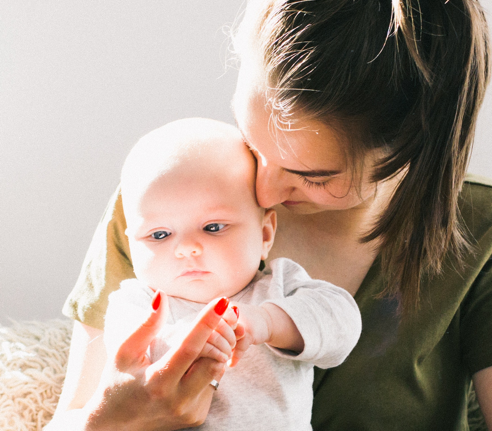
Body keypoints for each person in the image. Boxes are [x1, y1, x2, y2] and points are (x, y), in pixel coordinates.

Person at [48, 0, 492, 431]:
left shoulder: (485, 230)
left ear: (410, 153)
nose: (264, 191)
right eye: (253, 144)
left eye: (314, 176)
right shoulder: (164, 206)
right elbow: (69, 415)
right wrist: (111, 420)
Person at [102, 117, 361, 430]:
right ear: (132, 245)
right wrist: (184, 341)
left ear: (265, 235)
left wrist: (266, 321)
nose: (186, 248)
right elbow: (125, 369)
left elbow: (342, 326)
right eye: (159, 235)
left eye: (213, 227)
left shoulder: (279, 286)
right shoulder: (136, 303)